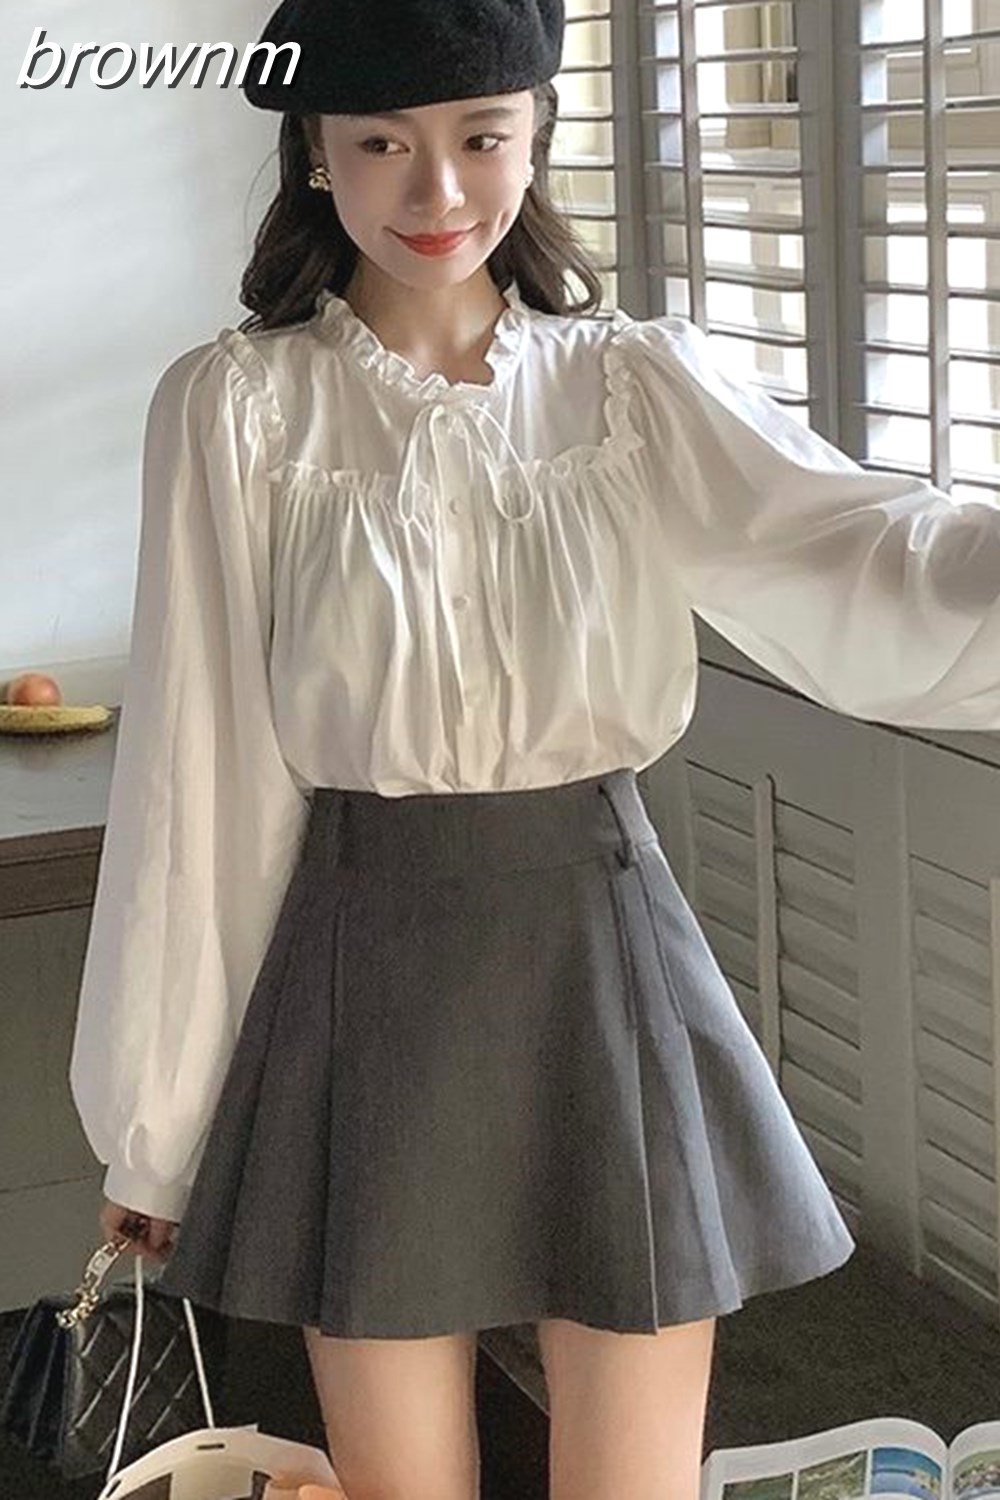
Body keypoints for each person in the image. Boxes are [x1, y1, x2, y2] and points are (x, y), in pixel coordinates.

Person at [65, 1, 1000, 1498]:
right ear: (316, 152)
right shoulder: (240, 407)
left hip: (603, 962)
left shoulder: (632, 386)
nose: (437, 192)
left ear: (537, 134)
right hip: (361, 976)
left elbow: (864, 551)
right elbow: (197, 778)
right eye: (383, 143)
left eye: (481, 138)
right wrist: (158, 1126)